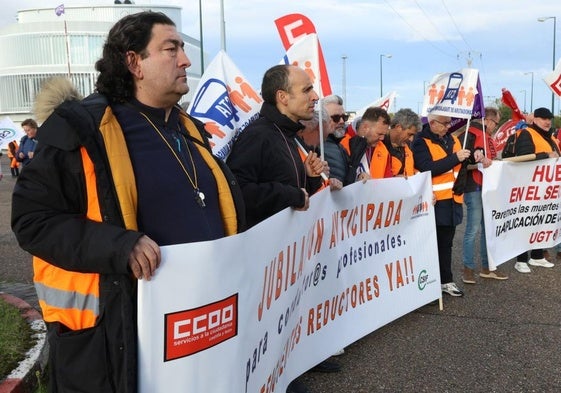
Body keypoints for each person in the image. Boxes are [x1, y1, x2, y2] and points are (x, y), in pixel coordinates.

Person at [11, 11, 244, 393]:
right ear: (134, 62)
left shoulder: (189, 129)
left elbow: (218, 200)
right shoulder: (82, 127)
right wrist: (120, 245)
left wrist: (294, 195)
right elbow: (33, 220)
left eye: (183, 48)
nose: (185, 60)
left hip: (197, 329)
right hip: (113, 340)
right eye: (171, 49)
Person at [227, 64, 332, 393]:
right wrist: (292, 194)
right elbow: (238, 192)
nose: (315, 97)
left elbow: (296, 190)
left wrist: (311, 178)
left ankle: (288, 371)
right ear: (282, 97)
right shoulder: (258, 136)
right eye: (306, 90)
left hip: (286, 254)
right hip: (263, 259)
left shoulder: (288, 136)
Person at [412, 113, 471, 297]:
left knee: (446, 244)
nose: (448, 127)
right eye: (444, 124)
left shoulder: (452, 139)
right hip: (435, 201)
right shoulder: (420, 141)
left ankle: (446, 281)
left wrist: (475, 155)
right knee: (431, 245)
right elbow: (427, 167)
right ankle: (428, 284)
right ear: (432, 123)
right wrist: (455, 158)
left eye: (449, 123)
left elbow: (462, 163)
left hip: (453, 200)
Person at [459, 107, 508, 283]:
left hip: (488, 188)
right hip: (474, 187)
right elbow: (461, 164)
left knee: (488, 230)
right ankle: (468, 268)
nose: (495, 127)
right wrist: (479, 165)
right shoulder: (469, 134)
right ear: (487, 120)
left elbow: (491, 160)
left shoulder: (487, 137)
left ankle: (487, 268)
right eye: (495, 123)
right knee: (472, 229)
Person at [512, 107, 559, 273]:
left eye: (549, 119)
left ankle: (537, 256)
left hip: (546, 191)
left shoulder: (551, 137)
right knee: (527, 222)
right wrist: (546, 156)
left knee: (542, 222)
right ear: (535, 119)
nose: (547, 122)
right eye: (543, 118)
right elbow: (522, 157)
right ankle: (521, 259)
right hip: (529, 188)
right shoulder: (527, 133)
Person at [342, 106, 392, 185]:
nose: (382, 138)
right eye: (379, 134)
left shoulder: (382, 149)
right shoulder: (342, 145)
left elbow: (388, 182)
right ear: (365, 127)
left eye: (384, 135)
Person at [383, 108, 421, 177]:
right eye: (409, 134)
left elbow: (409, 167)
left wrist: (416, 173)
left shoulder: (408, 146)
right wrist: (394, 179)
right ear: (398, 127)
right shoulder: (378, 144)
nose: (411, 139)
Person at [322, 94, 350, 184]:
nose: (342, 121)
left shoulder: (340, 146)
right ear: (322, 118)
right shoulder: (314, 145)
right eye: (336, 118)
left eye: (344, 117)